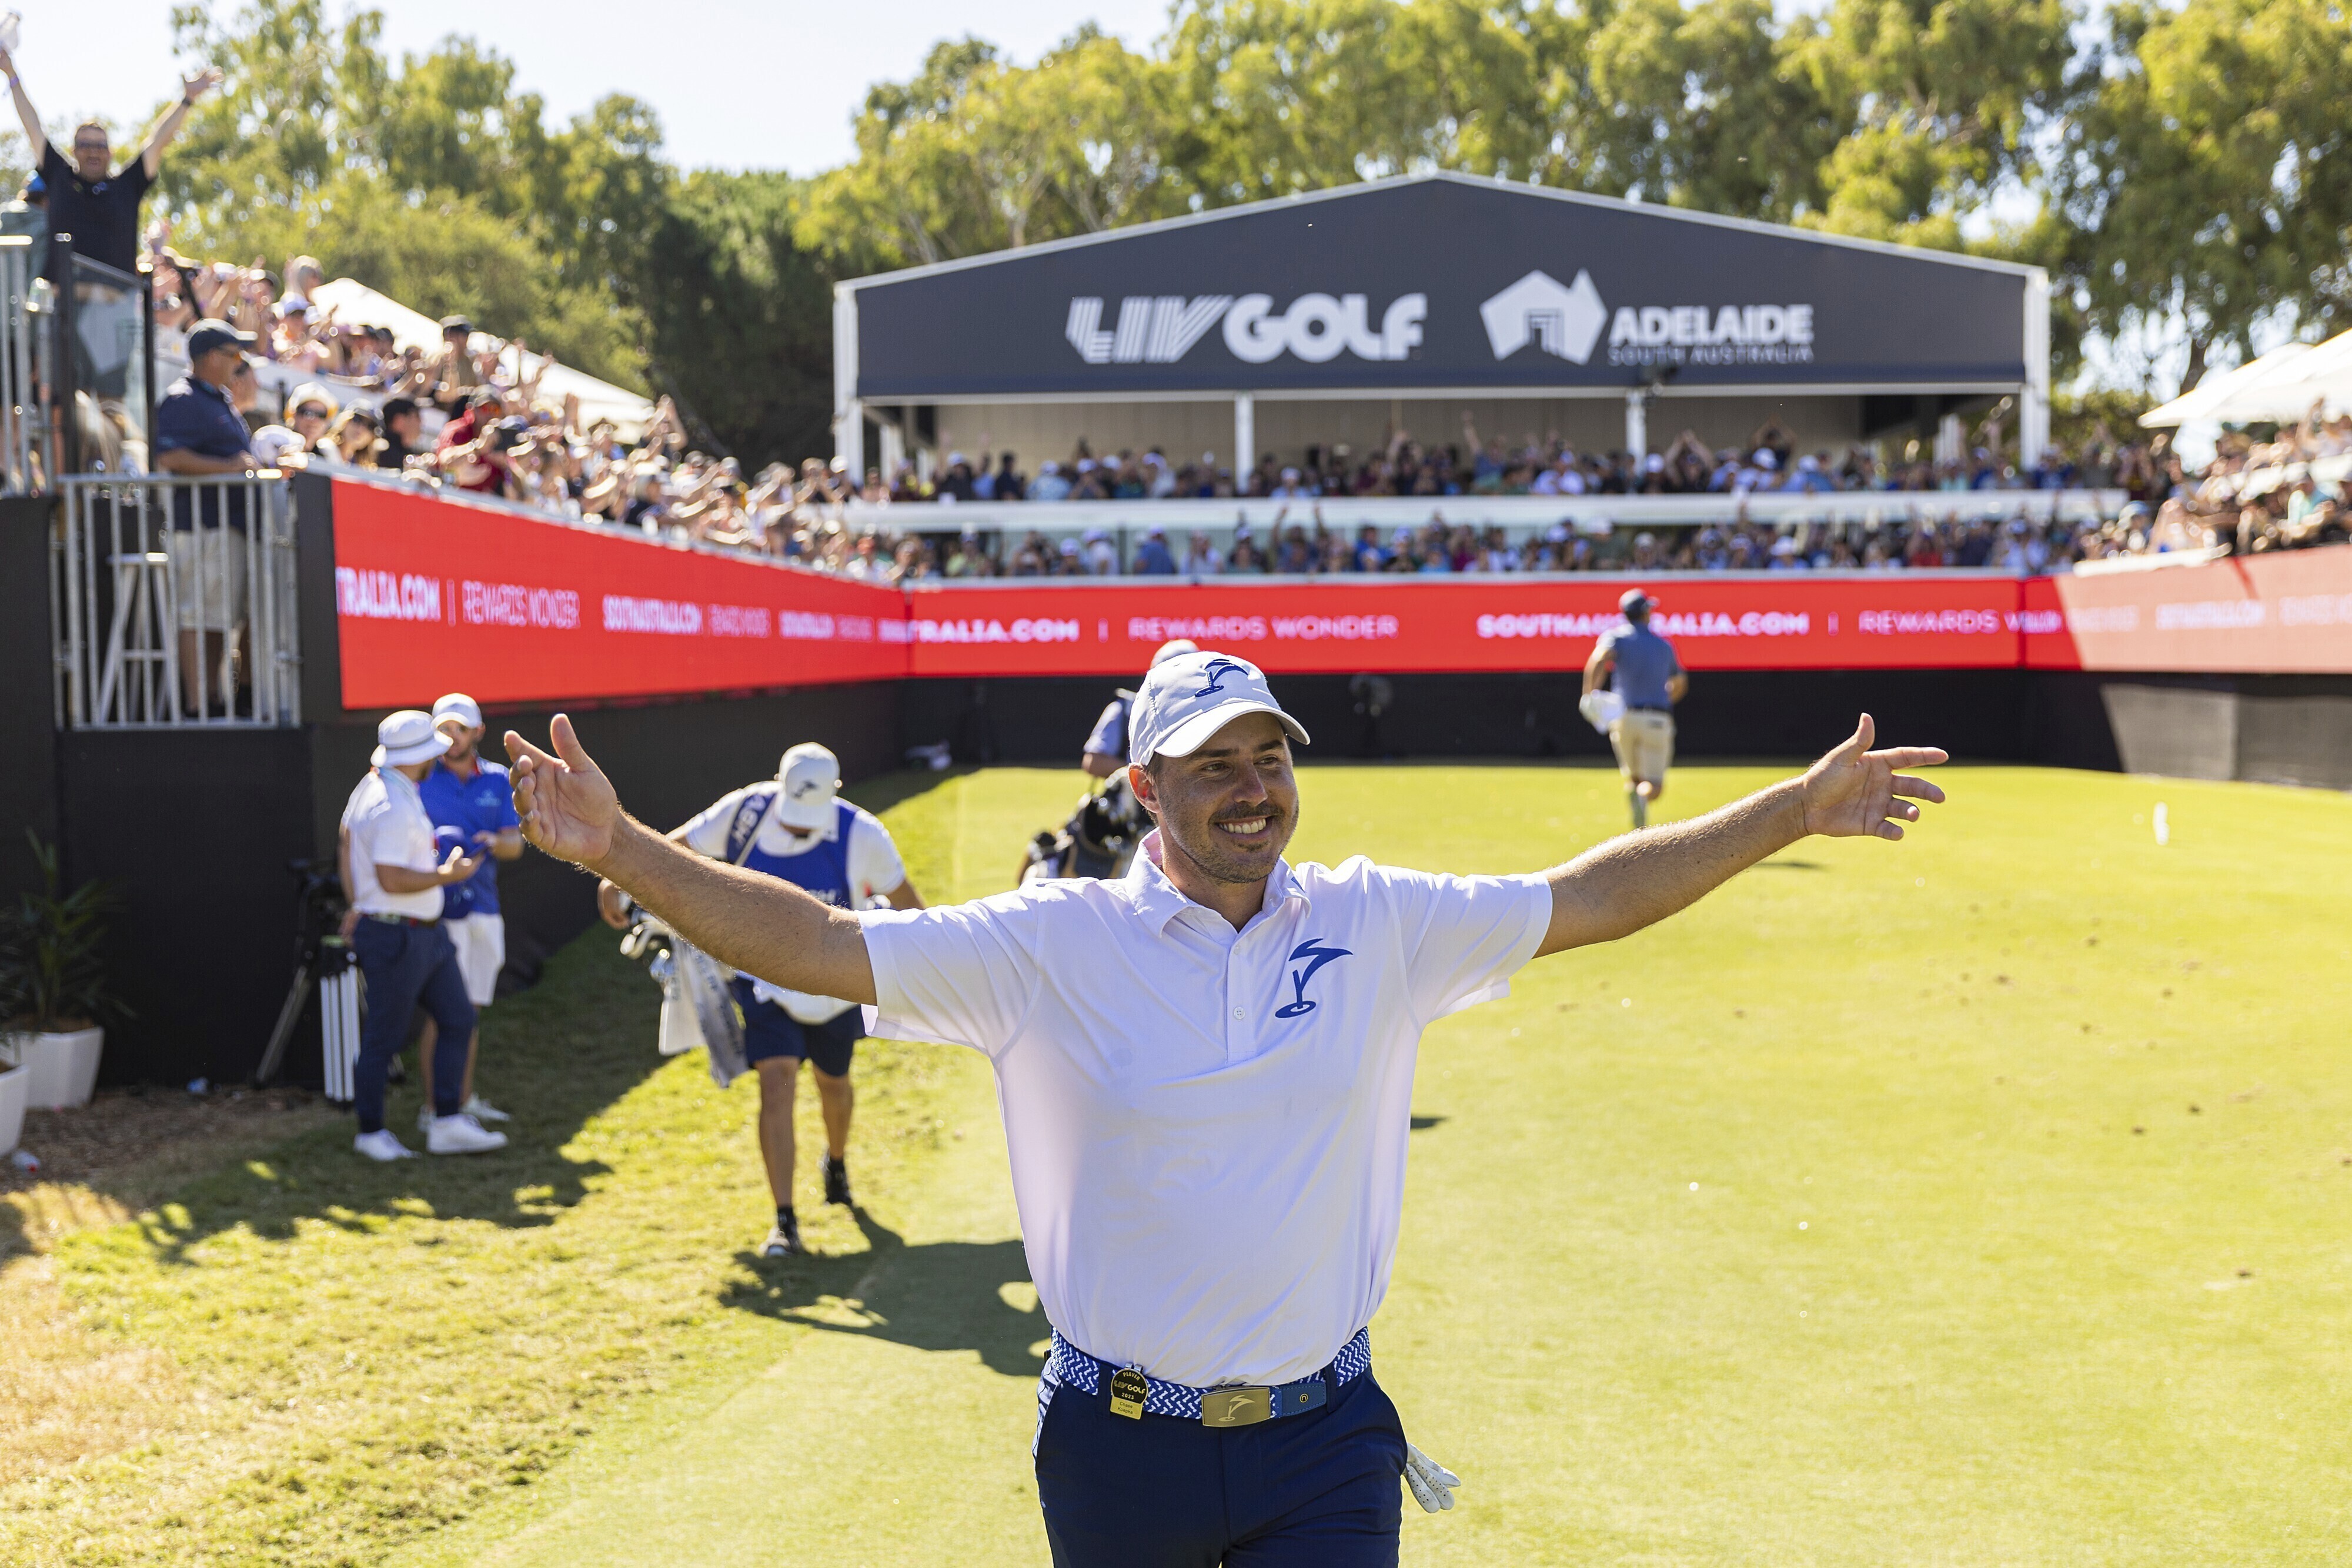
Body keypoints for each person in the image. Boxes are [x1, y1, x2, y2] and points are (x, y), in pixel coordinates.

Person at [506, 653, 1945, 1564]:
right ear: (1144, 789)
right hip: (1116, 1445)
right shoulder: (1046, 943)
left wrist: (1788, 810)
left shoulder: (1379, 920)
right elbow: (818, 946)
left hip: (1322, 1446)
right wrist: (629, 848)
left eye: (1270, 760)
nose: (1254, 793)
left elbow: (1589, 898)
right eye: (1215, 768)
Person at [595, 743, 926, 1257]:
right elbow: (672, 849)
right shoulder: (746, 812)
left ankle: (836, 1161)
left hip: (837, 991)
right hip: (763, 982)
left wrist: (926, 980)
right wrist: (618, 876)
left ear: (837, 792)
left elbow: (912, 910)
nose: (796, 828)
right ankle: (784, 1221)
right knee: (776, 1084)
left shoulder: (863, 834)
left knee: (833, 1085)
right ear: (778, 783)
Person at [336, 711, 507, 1161]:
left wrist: (357, 903)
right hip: (398, 935)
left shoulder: (377, 784)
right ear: (421, 756)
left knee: (457, 1018)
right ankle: (370, 1133)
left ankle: (447, 1122)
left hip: (422, 934)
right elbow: (392, 878)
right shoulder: (390, 802)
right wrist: (447, 876)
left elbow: (345, 842)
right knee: (383, 1037)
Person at [2, 45, 219, 282]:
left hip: (116, 309)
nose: (93, 152)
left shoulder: (127, 185)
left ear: (111, 153)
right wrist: (11, 74)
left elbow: (158, 141)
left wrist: (187, 99)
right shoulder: (59, 177)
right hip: (63, 309)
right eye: (85, 145)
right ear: (74, 151)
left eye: (100, 146)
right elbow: (33, 126)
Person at [415, 693, 524, 1131]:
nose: (450, 737)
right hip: (437, 911)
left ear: (478, 732)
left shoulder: (498, 779)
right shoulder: (421, 776)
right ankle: (434, 1109)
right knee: (443, 1013)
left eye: (459, 728)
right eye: (443, 728)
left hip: (483, 908)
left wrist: (494, 842)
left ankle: (461, 1100)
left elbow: (515, 843)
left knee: (468, 1012)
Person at [153, 320, 262, 714]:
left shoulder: (219, 398)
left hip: (225, 525)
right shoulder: (182, 398)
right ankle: (197, 705)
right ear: (213, 357)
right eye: (235, 354)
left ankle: (214, 699)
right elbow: (171, 457)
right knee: (197, 616)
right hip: (200, 527)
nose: (240, 362)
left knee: (218, 618)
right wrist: (229, 467)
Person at [1584, 589, 1686, 828]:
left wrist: (1589, 695)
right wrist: (1665, 698)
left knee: (1634, 777)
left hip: (1623, 717)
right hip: (1656, 718)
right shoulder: (1663, 645)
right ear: (1646, 613)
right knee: (1654, 785)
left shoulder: (1617, 638)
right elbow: (1680, 683)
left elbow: (1598, 659)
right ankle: (1642, 797)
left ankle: (1638, 827)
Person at [1080, 638, 1197, 779]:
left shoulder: (1211, 714)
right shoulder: (1127, 710)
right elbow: (1094, 761)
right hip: (1134, 799)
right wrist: (1144, 779)